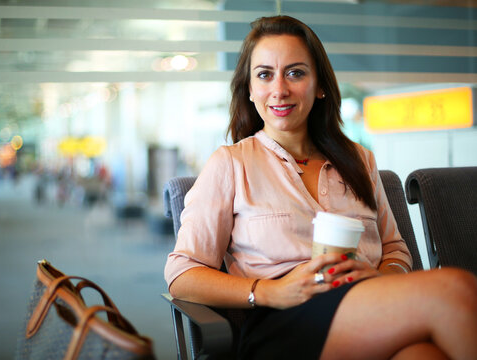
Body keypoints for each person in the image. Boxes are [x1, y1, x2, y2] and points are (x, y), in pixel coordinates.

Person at [164, 15, 477, 360]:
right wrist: (268, 291)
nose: (280, 89)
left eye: (296, 73)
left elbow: (395, 249)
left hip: (366, 302)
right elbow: (182, 274)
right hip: (285, 323)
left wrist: (380, 275)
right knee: (457, 287)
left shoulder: (360, 160)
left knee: (422, 355)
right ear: (250, 89)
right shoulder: (231, 163)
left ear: (321, 86)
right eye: (265, 75)